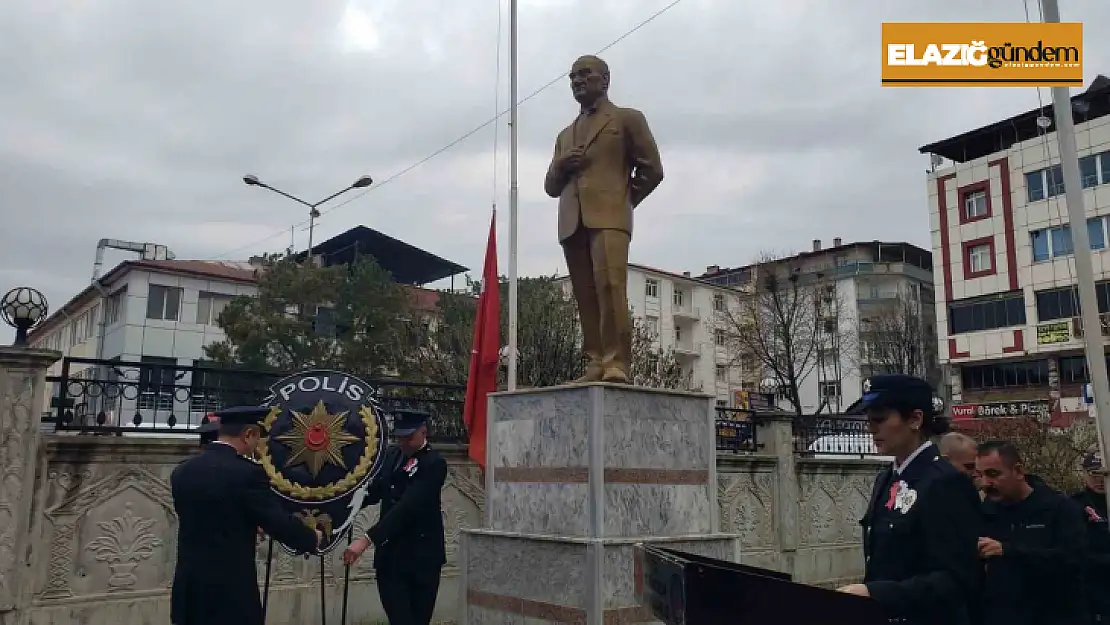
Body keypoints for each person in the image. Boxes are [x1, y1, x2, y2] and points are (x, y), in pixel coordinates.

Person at [543, 54, 664, 384]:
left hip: (610, 218)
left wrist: (623, 200)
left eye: (584, 74)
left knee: (611, 287)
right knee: (585, 294)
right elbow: (550, 187)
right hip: (572, 222)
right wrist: (561, 165)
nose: (577, 81)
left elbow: (652, 169)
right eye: (572, 77)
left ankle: (617, 362)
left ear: (605, 80)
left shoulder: (627, 119)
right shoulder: (564, 136)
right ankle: (595, 360)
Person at [836, 374, 982, 625]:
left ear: (915, 419)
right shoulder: (886, 479)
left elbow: (957, 579)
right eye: (869, 419)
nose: (871, 428)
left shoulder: (945, 482)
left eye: (880, 419)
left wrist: (878, 593)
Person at [170, 405, 322, 625]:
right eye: (258, 438)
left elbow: (210, 514)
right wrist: (310, 537)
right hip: (229, 593)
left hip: (189, 588)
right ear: (248, 434)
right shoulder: (248, 473)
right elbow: (277, 522)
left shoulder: (183, 471)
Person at [343, 409, 448, 625]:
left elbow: (408, 506)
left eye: (409, 437)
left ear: (423, 432)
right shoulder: (392, 456)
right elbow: (376, 490)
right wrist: (343, 506)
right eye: (400, 437)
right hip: (391, 560)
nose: (404, 443)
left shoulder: (434, 464)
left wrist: (367, 539)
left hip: (421, 561)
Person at [975, 439, 1087, 625]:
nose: (986, 483)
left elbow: (1072, 561)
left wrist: (1008, 551)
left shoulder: (1059, 509)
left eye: (993, 474)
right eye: (980, 475)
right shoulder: (986, 512)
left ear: (1018, 471)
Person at [1073, 449, 1110, 623]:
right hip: (1093, 591)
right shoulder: (1074, 505)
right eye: (1093, 473)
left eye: (1103, 474)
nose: (1099, 480)